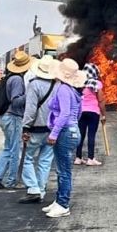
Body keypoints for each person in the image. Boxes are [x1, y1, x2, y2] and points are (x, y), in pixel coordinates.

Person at [43, 58, 86, 219]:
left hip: (65, 132)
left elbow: (65, 113)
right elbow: (78, 113)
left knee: (64, 171)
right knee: (62, 169)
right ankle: (58, 201)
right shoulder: (74, 92)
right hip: (72, 130)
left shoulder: (62, 89)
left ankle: (63, 204)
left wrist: (54, 133)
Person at [0, 51, 32, 189]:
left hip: (6, 116)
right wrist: (30, 95)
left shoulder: (9, 78)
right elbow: (16, 101)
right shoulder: (18, 80)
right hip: (13, 117)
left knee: (8, 148)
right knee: (14, 150)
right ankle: (12, 180)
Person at [19, 57, 59, 204]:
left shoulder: (34, 85)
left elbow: (30, 109)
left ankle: (33, 189)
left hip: (35, 128)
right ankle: (41, 190)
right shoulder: (57, 85)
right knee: (45, 161)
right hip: (52, 129)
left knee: (27, 158)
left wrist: (25, 128)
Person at [75, 63, 106, 166]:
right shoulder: (97, 84)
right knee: (91, 135)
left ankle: (78, 158)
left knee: (81, 135)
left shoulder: (80, 83)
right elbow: (101, 100)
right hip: (93, 113)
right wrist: (104, 115)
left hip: (81, 112)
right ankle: (90, 158)